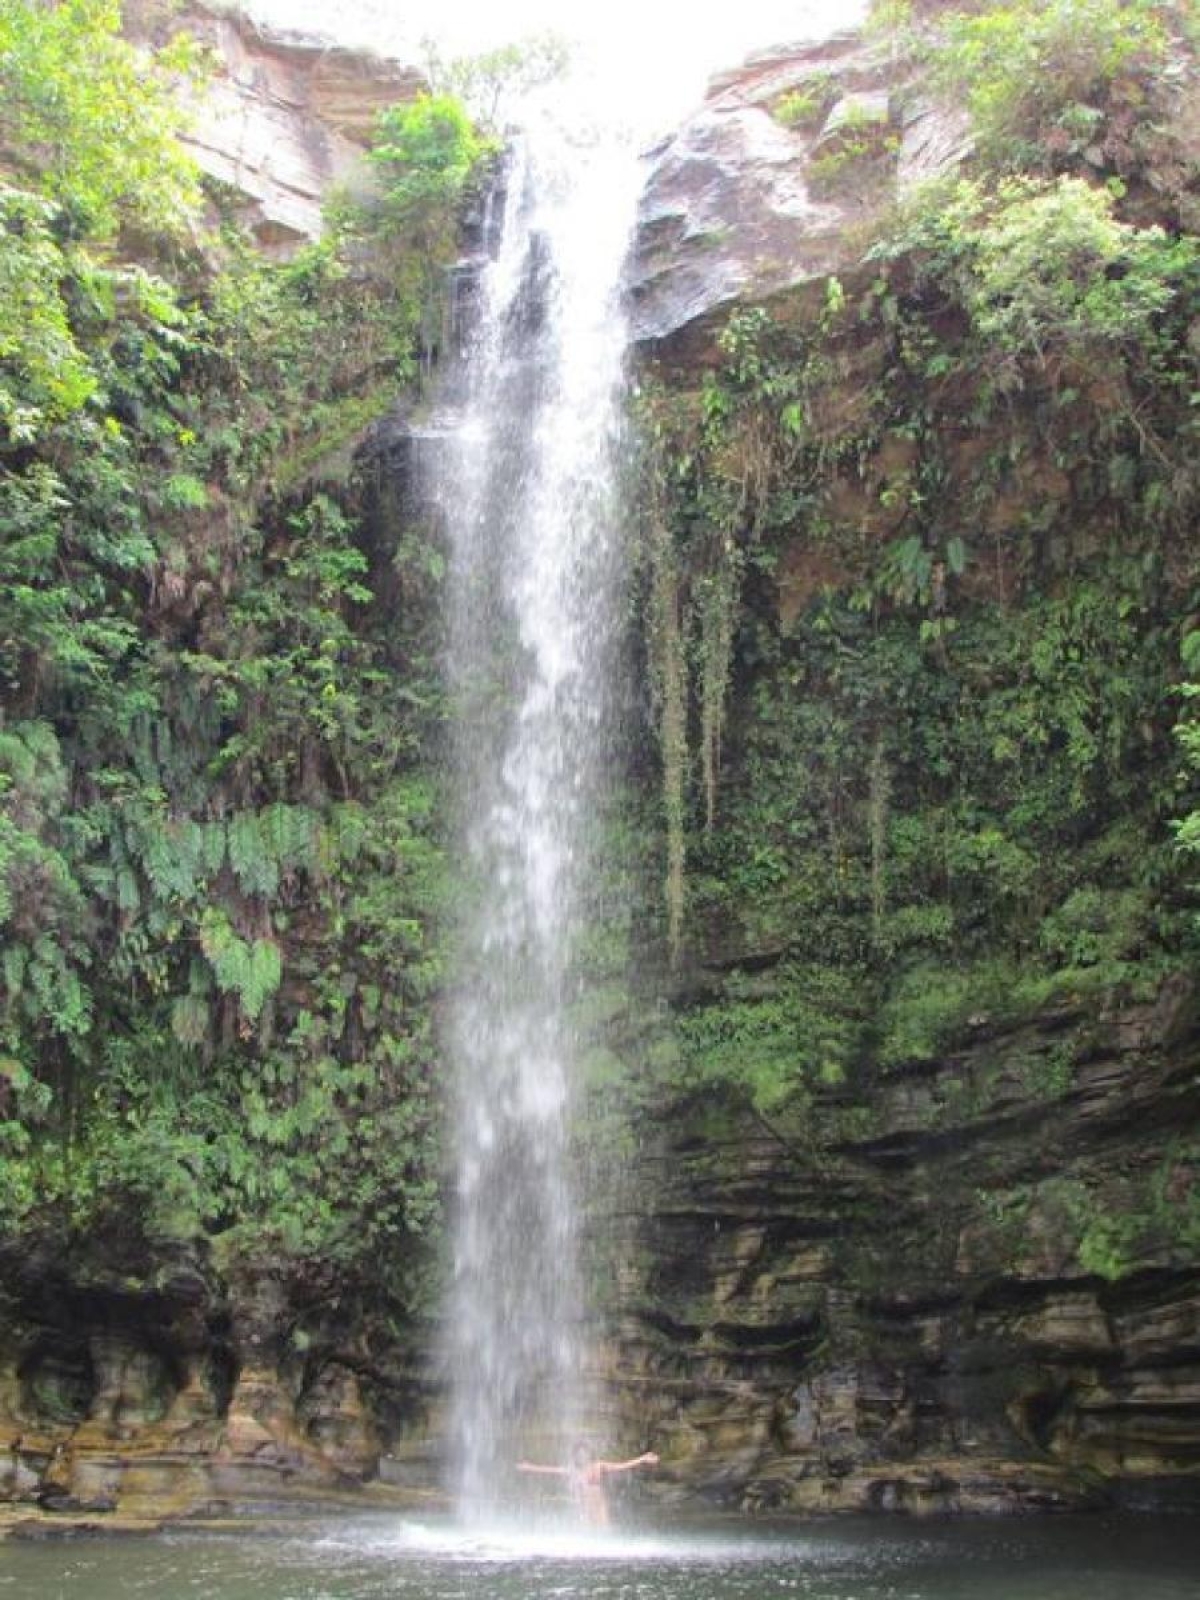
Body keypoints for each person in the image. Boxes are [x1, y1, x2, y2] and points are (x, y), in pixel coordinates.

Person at [517, 1441, 660, 1526]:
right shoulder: (573, 1470)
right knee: (588, 1534)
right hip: (584, 1507)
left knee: (604, 1533)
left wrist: (642, 1459)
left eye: (584, 1452)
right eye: (579, 1453)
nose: (582, 1455)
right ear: (575, 1455)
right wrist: (530, 1467)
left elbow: (622, 1466)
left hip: (600, 1506)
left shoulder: (599, 1465)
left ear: (589, 1453)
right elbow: (551, 1470)